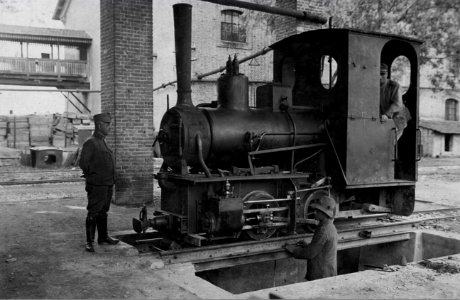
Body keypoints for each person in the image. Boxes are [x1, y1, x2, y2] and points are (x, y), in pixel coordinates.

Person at [80, 112, 119, 252]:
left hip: (107, 183)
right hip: (97, 185)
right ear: (99, 125)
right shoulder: (91, 142)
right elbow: (83, 163)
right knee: (93, 212)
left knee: (103, 212)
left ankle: (103, 237)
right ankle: (89, 242)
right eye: (107, 124)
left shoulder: (102, 141)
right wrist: (95, 176)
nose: (109, 127)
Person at [284, 195, 338, 281]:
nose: (314, 212)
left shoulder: (323, 230)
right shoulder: (330, 226)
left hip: (321, 276)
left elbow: (310, 254)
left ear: (325, 213)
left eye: (317, 211)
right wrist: (307, 245)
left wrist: (293, 250)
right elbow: (321, 248)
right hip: (327, 273)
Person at [380, 63, 411, 140]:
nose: (379, 77)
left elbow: (397, 104)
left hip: (398, 118)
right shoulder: (372, 86)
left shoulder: (394, 86)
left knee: (389, 143)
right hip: (383, 118)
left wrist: (386, 114)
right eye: (377, 74)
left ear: (387, 74)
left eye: (382, 74)